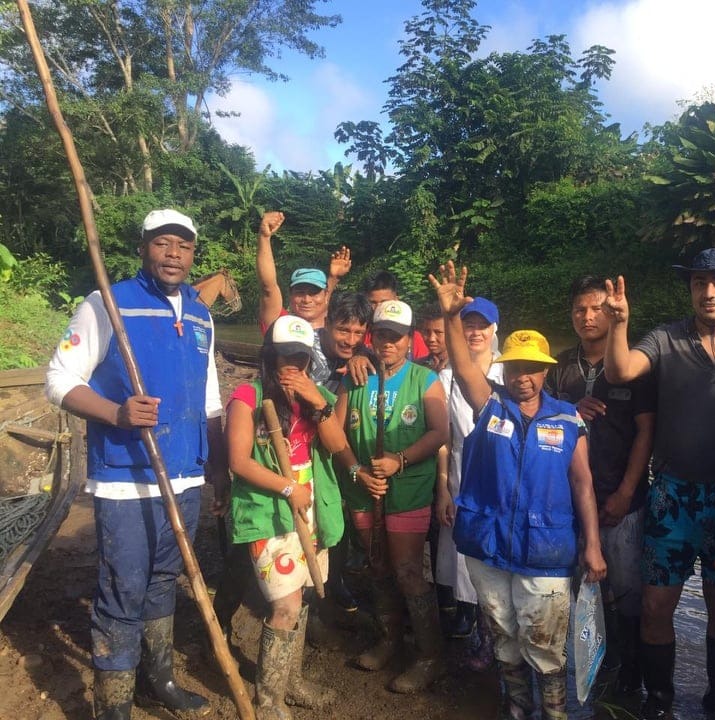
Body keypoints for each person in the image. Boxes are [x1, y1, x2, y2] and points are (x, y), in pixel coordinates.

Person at [45, 209, 227, 720]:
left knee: (164, 578)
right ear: (144, 247)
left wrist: (216, 470)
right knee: (123, 586)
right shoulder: (107, 303)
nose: (174, 254)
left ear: (194, 254)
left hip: (186, 473)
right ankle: (114, 706)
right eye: (164, 243)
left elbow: (210, 397)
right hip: (127, 478)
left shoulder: (199, 313)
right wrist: (116, 413)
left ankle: (159, 678)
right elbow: (58, 379)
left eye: (184, 246)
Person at [430, 262, 606, 720]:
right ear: (503, 369)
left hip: (545, 552)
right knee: (504, 638)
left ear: (545, 371)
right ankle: (517, 711)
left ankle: (555, 715)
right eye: (515, 368)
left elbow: (583, 485)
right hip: (488, 547)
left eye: (532, 369)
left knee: (545, 645)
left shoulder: (569, 419)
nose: (522, 377)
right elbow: (464, 365)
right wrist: (451, 316)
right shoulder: (487, 404)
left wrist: (593, 546)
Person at [603, 247, 715, 719]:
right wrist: (619, 324)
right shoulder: (667, 338)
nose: (708, 292)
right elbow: (620, 370)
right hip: (671, 495)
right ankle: (660, 701)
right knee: (656, 606)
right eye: (699, 282)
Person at [225, 315, 351, 717]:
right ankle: (269, 701)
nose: (292, 365)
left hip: (310, 507)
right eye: (284, 356)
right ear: (269, 357)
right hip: (270, 511)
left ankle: (291, 682)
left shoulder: (314, 397)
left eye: (299, 356)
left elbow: (335, 445)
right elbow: (238, 462)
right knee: (286, 606)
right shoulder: (248, 396)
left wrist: (317, 402)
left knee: (304, 594)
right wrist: (286, 487)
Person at [545, 275, 656, 697]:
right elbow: (541, 421)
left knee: (629, 593)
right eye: (580, 309)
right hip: (570, 500)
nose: (588, 317)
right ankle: (593, 666)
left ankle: (630, 674)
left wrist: (627, 491)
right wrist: (570, 409)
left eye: (597, 309)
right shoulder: (557, 366)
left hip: (623, 498)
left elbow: (647, 432)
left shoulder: (636, 366)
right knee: (580, 588)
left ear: (613, 314)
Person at [334, 299, 450, 693]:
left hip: (408, 489)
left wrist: (400, 460)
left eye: (397, 337)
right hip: (363, 489)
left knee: (408, 571)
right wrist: (358, 470)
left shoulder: (424, 380)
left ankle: (430, 656)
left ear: (408, 340)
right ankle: (389, 640)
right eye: (382, 335)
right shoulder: (356, 376)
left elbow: (438, 432)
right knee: (377, 565)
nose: (389, 343)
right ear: (373, 336)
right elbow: (334, 432)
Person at [435, 297, 502, 654]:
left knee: (495, 552)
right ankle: (467, 615)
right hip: (460, 471)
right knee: (459, 552)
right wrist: (444, 487)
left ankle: (492, 626)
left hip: (498, 475)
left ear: (495, 330)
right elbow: (444, 438)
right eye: (468, 326)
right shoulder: (446, 378)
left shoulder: (510, 373)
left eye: (482, 325)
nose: (475, 332)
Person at [256, 210, 352, 383]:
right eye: (300, 293)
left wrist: (334, 278)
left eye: (313, 293)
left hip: (329, 406)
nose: (307, 300)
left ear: (325, 295)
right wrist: (264, 238)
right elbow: (268, 287)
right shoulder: (280, 324)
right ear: (290, 296)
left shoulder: (336, 327)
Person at [360, 270, 429, 358]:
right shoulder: (358, 334)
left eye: (384, 302)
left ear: (397, 300)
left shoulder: (413, 338)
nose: (378, 307)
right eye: (373, 302)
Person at [416, 302, 448, 372]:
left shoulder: (463, 366)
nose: (431, 339)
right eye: (427, 332)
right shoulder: (417, 368)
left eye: (438, 332)